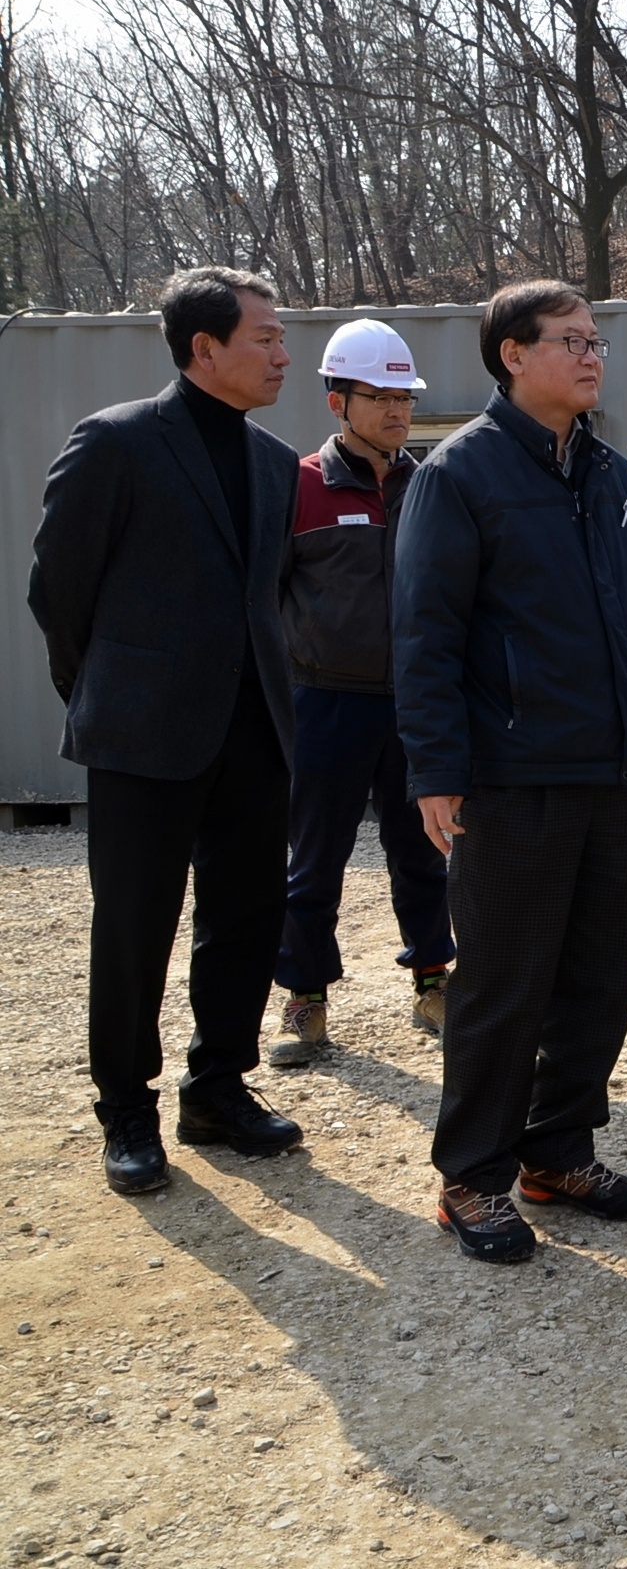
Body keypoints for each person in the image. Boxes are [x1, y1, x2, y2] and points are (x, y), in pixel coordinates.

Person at [394, 280, 627, 1263]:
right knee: (506, 982)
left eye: (597, 340)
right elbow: (424, 634)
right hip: (511, 776)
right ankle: (471, 1177)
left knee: (595, 976)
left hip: (610, 769)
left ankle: (558, 1150)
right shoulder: (458, 476)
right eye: (571, 341)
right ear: (512, 354)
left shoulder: (604, 472)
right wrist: (434, 771)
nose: (593, 356)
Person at [28, 266, 305, 1193]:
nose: (281, 352)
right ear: (205, 348)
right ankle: (128, 1113)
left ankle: (217, 1089)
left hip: (254, 729)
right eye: (264, 336)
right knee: (137, 926)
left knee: (246, 918)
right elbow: (57, 589)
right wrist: (101, 691)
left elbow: (268, 600)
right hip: (143, 736)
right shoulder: (116, 443)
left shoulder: (274, 463)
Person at [268, 318, 455, 1068]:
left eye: (403, 397)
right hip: (325, 703)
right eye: (377, 396)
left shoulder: (429, 485)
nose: (396, 411)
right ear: (336, 402)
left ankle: (435, 981)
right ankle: (305, 996)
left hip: (414, 705)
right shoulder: (299, 487)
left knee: (424, 854)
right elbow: (266, 597)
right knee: (314, 860)